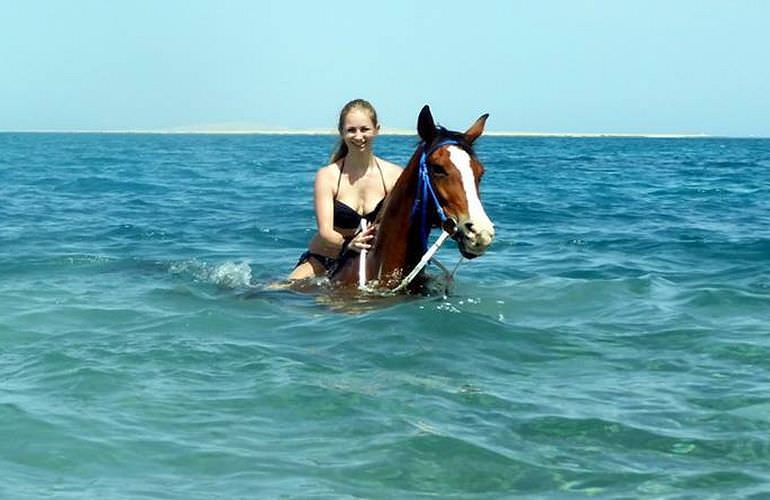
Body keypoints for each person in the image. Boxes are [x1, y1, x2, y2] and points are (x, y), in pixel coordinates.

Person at [288, 99, 402, 280]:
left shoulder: (394, 175)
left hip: (373, 260)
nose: (358, 136)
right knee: (279, 292)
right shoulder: (327, 176)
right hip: (326, 259)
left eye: (365, 129)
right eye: (351, 130)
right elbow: (325, 232)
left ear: (377, 129)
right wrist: (349, 244)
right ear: (342, 132)